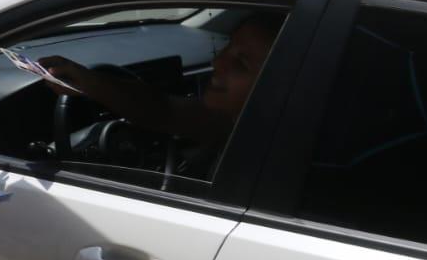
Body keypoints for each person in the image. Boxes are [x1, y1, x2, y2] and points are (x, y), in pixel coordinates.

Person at [38, 13, 279, 156]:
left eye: (241, 64)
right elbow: (164, 110)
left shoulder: (268, 154)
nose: (218, 63)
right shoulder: (238, 126)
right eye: (225, 48)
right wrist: (89, 82)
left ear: (282, 81)